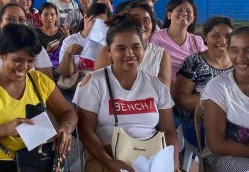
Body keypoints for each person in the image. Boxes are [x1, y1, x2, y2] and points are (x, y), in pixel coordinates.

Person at [0, 23, 78, 171]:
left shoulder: (39, 81)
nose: (24, 67)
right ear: (2, 54)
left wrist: (66, 128)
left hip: (36, 159)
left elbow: (67, 112)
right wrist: (6, 130)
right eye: (17, 60)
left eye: (31, 61)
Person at [74, 14, 179, 172]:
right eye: (121, 48)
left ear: (144, 48)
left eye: (136, 47)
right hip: (107, 158)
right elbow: (85, 131)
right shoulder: (94, 83)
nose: (129, 53)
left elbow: (169, 132)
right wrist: (111, 163)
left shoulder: (157, 86)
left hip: (151, 161)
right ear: (109, 51)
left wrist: (172, 164)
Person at [175, 16, 233, 148]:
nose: (222, 41)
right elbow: (180, 99)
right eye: (216, 36)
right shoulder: (194, 62)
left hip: (236, 122)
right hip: (198, 124)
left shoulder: (239, 61)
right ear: (205, 37)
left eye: (228, 36)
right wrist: (214, 100)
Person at [201, 26, 249, 172]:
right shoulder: (218, 87)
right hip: (223, 156)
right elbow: (217, 144)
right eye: (234, 50)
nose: (241, 57)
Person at [94, 1, 172, 86]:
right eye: (136, 19)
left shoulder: (161, 55)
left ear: (153, 27)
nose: (142, 24)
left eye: (146, 20)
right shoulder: (108, 51)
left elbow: (164, 93)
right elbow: (98, 86)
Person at [0, 3, 53, 81]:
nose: (17, 24)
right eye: (10, 19)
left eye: (21, 19)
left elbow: (47, 85)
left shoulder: (35, 47)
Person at [58, 3, 112, 100]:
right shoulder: (70, 40)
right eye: (94, 21)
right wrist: (68, 53)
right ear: (85, 18)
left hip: (99, 91)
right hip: (73, 91)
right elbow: (66, 74)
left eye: (102, 24)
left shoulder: (109, 44)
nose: (97, 27)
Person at [150, 0, 207, 87]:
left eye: (188, 11)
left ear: (193, 18)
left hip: (191, 91)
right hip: (163, 90)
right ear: (169, 15)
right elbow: (150, 70)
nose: (184, 13)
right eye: (179, 10)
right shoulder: (155, 38)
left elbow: (206, 68)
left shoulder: (197, 41)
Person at [36, 2, 69, 81]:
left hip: (62, 72)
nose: (49, 18)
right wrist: (46, 52)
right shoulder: (34, 33)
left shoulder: (63, 32)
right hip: (42, 72)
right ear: (40, 16)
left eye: (52, 15)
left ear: (56, 16)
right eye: (46, 15)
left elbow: (70, 53)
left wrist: (68, 37)